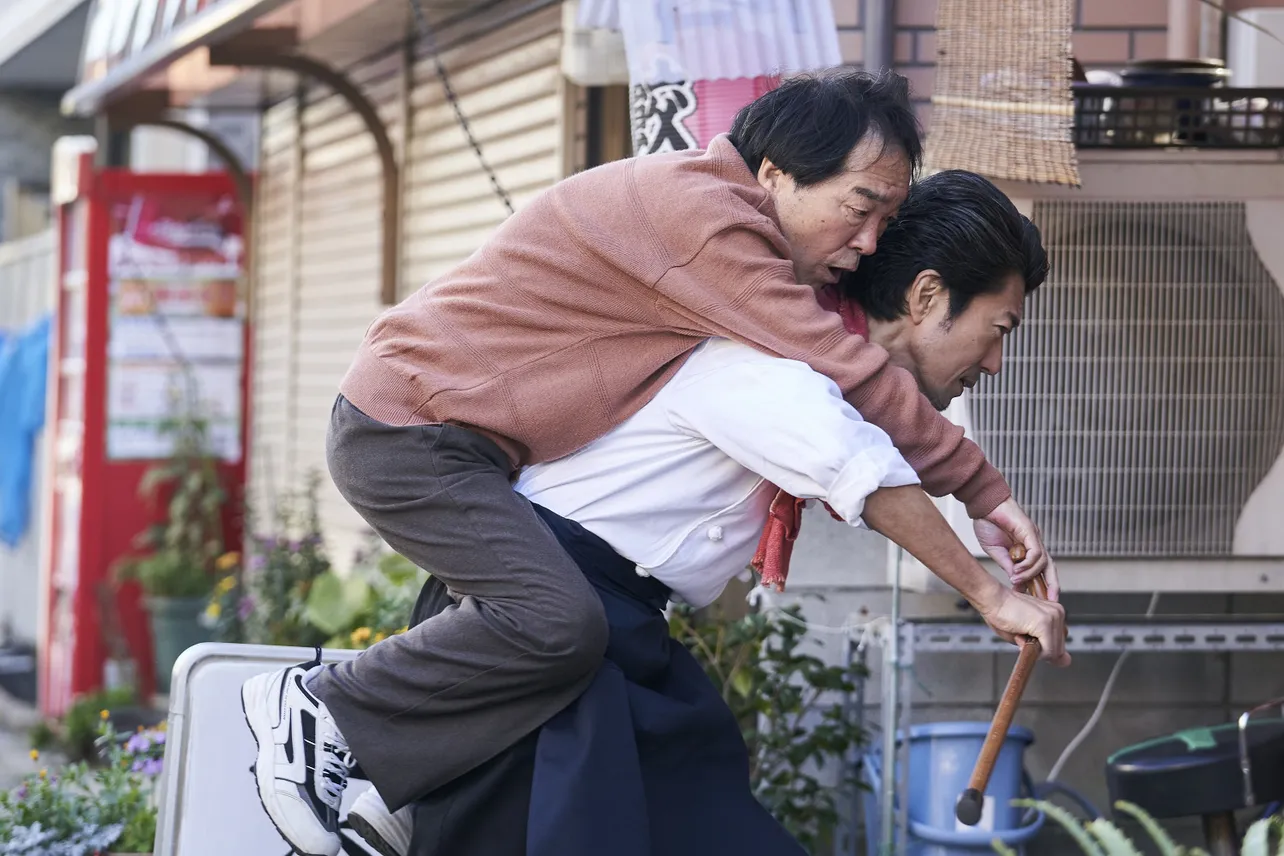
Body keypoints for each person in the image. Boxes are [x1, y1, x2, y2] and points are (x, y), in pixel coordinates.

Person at [239, 70, 1061, 856]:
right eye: (999, 331)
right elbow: (860, 454)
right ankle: (325, 713)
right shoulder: (744, 296)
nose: (866, 238)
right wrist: (986, 562)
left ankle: (382, 786)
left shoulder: (749, 292)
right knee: (568, 656)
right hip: (438, 457)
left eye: (883, 219)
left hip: (571, 582)